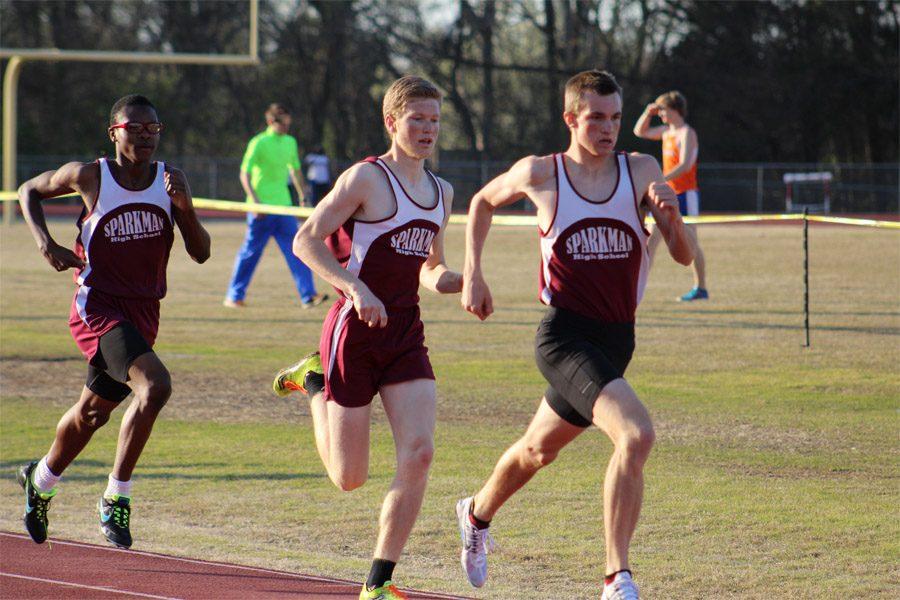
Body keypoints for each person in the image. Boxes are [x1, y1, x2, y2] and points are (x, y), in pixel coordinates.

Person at [456, 70, 693, 599]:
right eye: (596, 119)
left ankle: (475, 514)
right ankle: (617, 578)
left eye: (614, 118)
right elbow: (480, 203)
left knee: (538, 451)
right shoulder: (542, 173)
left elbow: (682, 254)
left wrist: (671, 220)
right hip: (563, 336)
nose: (609, 129)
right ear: (570, 119)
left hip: (617, 339)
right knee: (636, 434)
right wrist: (473, 271)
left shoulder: (641, 170)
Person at [270, 76, 461, 600]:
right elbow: (306, 240)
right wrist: (355, 288)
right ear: (391, 121)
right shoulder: (366, 179)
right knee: (349, 478)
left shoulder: (442, 192)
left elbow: (430, 263)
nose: (427, 129)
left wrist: (450, 280)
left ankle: (378, 583)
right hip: (352, 332)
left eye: (435, 120)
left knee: (419, 454)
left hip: (405, 333)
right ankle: (312, 383)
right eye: (417, 118)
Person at [15, 94, 211, 549]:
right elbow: (29, 190)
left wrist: (185, 208)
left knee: (91, 414)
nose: (145, 135)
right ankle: (116, 496)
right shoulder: (91, 176)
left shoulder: (170, 181)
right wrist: (45, 243)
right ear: (114, 133)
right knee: (156, 386)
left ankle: (40, 480)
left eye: (153, 128)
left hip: (143, 312)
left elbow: (200, 253)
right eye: (134, 127)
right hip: (97, 308)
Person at [224, 103, 327, 308]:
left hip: (283, 207)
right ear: (271, 122)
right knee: (251, 253)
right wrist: (254, 201)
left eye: (289, 123)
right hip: (261, 209)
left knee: (298, 250)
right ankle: (234, 296)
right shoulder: (258, 142)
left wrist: (302, 194)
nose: (287, 127)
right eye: (283, 123)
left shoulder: (290, 142)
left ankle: (308, 296)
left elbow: (295, 171)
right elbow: (244, 173)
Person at [633, 91, 708, 301]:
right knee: (650, 240)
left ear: (674, 109)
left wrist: (659, 178)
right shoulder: (667, 132)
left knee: (691, 242)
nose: (661, 115)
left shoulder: (687, 133)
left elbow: (685, 165)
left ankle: (701, 288)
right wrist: (648, 113)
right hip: (667, 194)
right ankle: (636, 288)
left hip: (686, 194)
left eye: (663, 110)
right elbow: (640, 131)